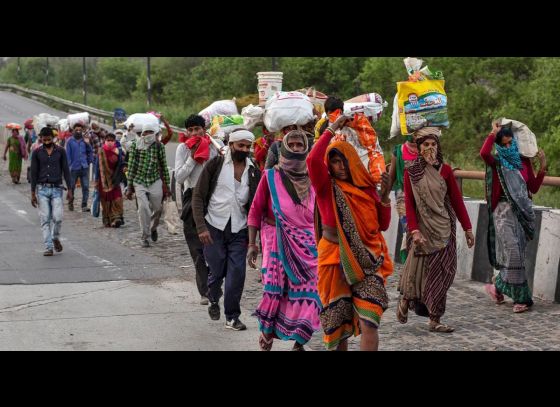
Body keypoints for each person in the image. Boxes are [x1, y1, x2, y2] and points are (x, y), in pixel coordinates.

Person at [307, 115, 393, 351]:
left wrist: (384, 197)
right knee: (338, 325)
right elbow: (313, 159)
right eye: (334, 162)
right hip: (334, 261)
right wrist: (332, 128)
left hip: (367, 260)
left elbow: (382, 226)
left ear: (353, 161)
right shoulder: (326, 188)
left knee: (370, 320)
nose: (340, 167)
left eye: (344, 161)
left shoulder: (366, 190)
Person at [247, 130, 321, 351]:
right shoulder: (270, 176)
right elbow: (255, 210)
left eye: (301, 145)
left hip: (307, 242)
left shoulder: (314, 178)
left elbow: (321, 212)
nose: (297, 148)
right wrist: (252, 244)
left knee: (311, 291)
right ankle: (267, 333)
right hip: (274, 238)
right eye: (293, 145)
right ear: (285, 148)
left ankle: (300, 341)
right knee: (274, 289)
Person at [396, 127, 475, 333]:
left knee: (445, 272)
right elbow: (410, 204)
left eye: (433, 144)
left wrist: (467, 228)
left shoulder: (446, 171)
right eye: (426, 145)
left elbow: (456, 201)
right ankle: (412, 303)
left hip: (444, 228)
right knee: (420, 273)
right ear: (419, 148)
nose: (430, 148)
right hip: (422, 230)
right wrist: (414, 230)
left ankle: (434, 316)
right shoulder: (411, 171)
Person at [192, 129, 261, 331]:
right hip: (213, 227)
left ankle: (232, 316)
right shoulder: (216, 165)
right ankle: (213, 296)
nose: (244, 150)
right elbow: (198, 197)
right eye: (241, 145)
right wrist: (201, 227)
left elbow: (255, 205)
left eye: (248, 146)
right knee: (217, 269)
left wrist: (253, 238)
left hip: (239, 229)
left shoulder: (253, 170)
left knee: (237, 273)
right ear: (231, 145)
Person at [481, 122, 547, 313]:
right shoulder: (498, 162)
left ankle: (498, 286)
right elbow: (484, 153)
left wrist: (542, 165)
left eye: (511, 143)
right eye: (504, 144)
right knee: (513, 253)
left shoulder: (523, 162)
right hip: (503, 212)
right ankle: (523, 298)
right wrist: (492, 133)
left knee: (517, 254)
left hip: (522, 214)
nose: (509, 147)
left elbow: (532, 187)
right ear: (499, 145)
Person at [175, 114, 219, 305]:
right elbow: (179, 177)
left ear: (204, 129)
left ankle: (216, 281)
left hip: (213, 198)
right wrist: (193, 158)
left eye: (197, 129)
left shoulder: (214, 147)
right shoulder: (182, 148)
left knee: (214, 244)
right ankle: (204, 290)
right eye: (190, 130)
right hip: (192, 197)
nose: (194, 133)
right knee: (196, 247)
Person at [125, 122, 171, 248]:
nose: (148, 135)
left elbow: (164, 166)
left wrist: (167, 186)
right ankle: (144, 236)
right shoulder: (136, 145)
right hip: (139, 181)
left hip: (154, 180)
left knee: (158, 209)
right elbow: (132, 166)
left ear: (155, 134)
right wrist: (129, 187)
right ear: (142, 134)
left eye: (151, 132)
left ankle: (153, 228)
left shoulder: (159, 146)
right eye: (146, 132)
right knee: (144, 208)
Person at [30, 127, 73, 256]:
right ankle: (48, 247)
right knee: (45, 219)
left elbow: (66, 170)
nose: (47, 141)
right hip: (42, 189)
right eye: (44, 139)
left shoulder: (61, 151)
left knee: (58, 218)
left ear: (53, 138)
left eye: (49, 138)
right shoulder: (37, 152)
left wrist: (70, 189)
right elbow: (33, 173)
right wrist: (33, 193)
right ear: (41, 138)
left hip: (57, 189)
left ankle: (55, 237)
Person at [388, 132, 420, 262]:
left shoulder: (427, 148)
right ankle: (410, 263)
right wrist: (382, 200)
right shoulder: (399, 150)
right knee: (410, 230)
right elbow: (392, 176)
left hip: (423, 195)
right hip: (404, 196)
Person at [97, 133, 125, 228]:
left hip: (115, 179)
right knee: (106, 200)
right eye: (108, 140)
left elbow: (123, 163)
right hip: (103, 181)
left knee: (117, 198)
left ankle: (116, 218)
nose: (109, 142)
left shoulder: (118, 151)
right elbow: (98, 167)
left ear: (115, 141)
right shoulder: (101, 151)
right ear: (104, 140)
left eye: (112, 140)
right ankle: (107, 219)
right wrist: (96, 181)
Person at [66, 123, 93, 212]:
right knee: (72, 186)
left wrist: (89, 161)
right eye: (76, 130)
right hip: (73, 168)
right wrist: (69, 166)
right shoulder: (70, 141)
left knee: (85, 186)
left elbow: (90, 151)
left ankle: (84, 205)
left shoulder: (85, 141)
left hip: (84, 167)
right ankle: (70, 202)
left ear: (82, 131)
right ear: (73, 130)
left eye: (80, 130)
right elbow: (68, 155)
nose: (78, 131)